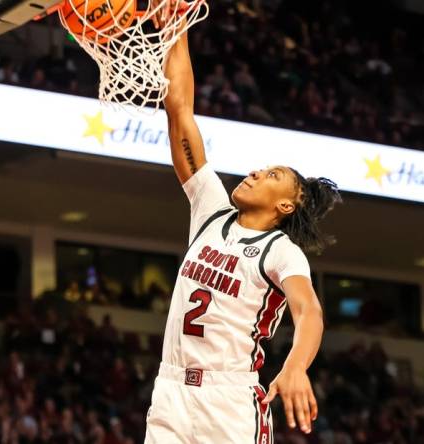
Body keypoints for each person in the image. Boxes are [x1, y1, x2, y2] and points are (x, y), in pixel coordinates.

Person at [143, 19, 341, 444]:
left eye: (271, 175)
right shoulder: (211, 211)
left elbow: (308, 311)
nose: (254, 172)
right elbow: (180, 112)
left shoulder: (281, 250)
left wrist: (295, 367)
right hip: (170, 392)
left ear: (285, 205)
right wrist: (175, 27)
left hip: (228, 400)